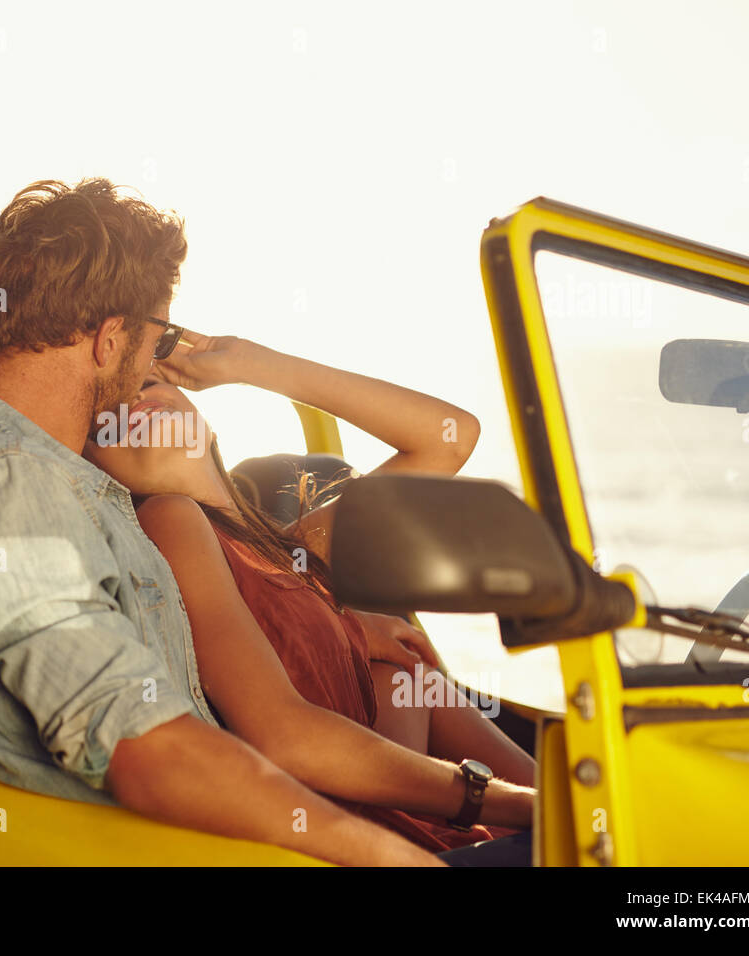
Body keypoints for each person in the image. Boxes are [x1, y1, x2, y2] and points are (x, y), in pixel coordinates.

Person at [0, 177, 445, 866]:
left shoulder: (49, 479)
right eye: (158, 342)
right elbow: (141, 744)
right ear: (111, 337)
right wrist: (398, 856)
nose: (161, 364)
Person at [82, 330, 538, 860]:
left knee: (404, 674)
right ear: (96, 470)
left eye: (149, 382)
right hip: (368, 845)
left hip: (428, 834)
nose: (132, 403)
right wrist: (495, 801)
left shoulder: (297, 550)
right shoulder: (169, 519)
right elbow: (284, 736)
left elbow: (450, 436)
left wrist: (252, 364)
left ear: (204, 422)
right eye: (105, 417)